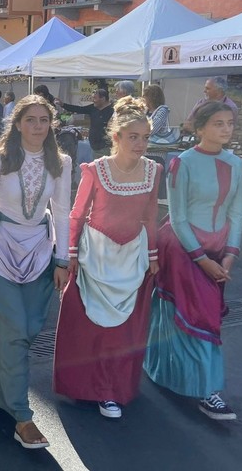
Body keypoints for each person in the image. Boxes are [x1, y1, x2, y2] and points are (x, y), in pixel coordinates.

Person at [0, 95, 71, 450]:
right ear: (17, 124)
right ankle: (22, 417)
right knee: (17, 330)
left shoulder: (61, 162)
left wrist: (62, 260)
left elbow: (62, 212)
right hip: (1, 250)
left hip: (40, 253)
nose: (38, 126)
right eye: (30, 119)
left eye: (44, 120)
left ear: (51, 125)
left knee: (25, 331)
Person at [53, 97, 162, 419]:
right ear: (116, 137)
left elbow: (150, 216)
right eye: (133, 137)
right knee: (92, 330)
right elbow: (77, 214)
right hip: (95, 256)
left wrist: (153, 255)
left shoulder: (153, 170)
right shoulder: (96, 170)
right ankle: (91, 388)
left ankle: (113, 389)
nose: (140, 144)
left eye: (145, 137)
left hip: (132, 257)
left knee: (123, 332)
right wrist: (71, 254)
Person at [144, 101, 242, 421]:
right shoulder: (181, 163)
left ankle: (164, 370)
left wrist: (230, 255)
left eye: (230, 123)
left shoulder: (237, 163)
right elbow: (178, 217)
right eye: (218, 123)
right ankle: (207, 391)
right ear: (200, 128)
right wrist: (202, 259)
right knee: (197, 317)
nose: (226, 129)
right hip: (181, 249)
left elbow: (237, 213)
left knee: (191, 314)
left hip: (216, 251)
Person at [55, 88, 114, 158]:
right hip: (94, 147)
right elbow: (79, 109)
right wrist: (63, 105)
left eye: (95, 98)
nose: (93, 100)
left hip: (105, 147)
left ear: (103, 99)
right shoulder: (93, 108)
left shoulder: (112, 112)